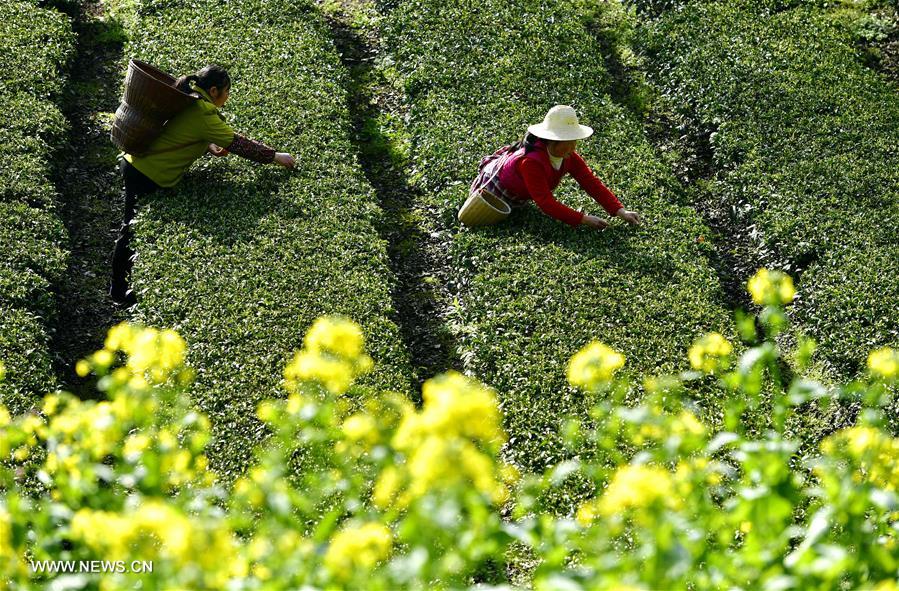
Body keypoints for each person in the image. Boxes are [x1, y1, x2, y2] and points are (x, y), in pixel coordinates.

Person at [110, 64, 296, 305]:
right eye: (227, 92)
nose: (228, 97)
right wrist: (276, 157)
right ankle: (118, 290)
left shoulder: (190, 98)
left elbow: (179, 130)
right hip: (145, 173)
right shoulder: (204, 113)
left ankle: (120, 287)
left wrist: (207, 145)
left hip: (135, 163)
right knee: (130, 229)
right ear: (215, 90)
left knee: (131, 227)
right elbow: (238, 144)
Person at [471, 104, 642, 230]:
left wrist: (620, 211)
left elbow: (590, 182)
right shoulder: (531, 163)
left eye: (574, 141)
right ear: (552, 141)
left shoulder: (568, 156)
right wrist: (582, 219)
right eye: (567, 143)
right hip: (497, 191)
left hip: (521, 193)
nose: (572, 148)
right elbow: (545, 202)